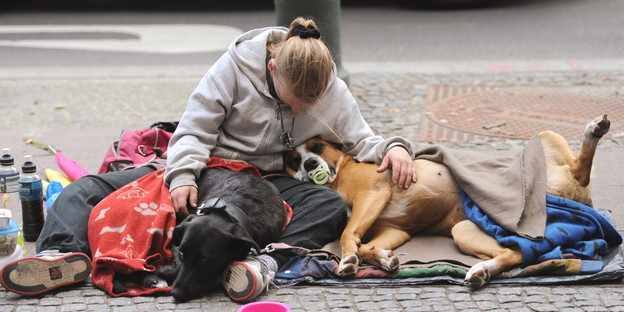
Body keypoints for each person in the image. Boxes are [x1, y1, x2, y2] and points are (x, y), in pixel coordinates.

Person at [0, 17, 416, 302]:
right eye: (295, 102)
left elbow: (361, 139)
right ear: (272, 67)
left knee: (326, 205)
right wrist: (182, 176)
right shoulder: (232, 69)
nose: (303, 109)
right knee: (85, 188)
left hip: (267, 182)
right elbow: (193, 132)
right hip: (206, 168)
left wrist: (394, 148)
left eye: (312, 103)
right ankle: (60, 257)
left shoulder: (328, 88)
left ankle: (263, 263)